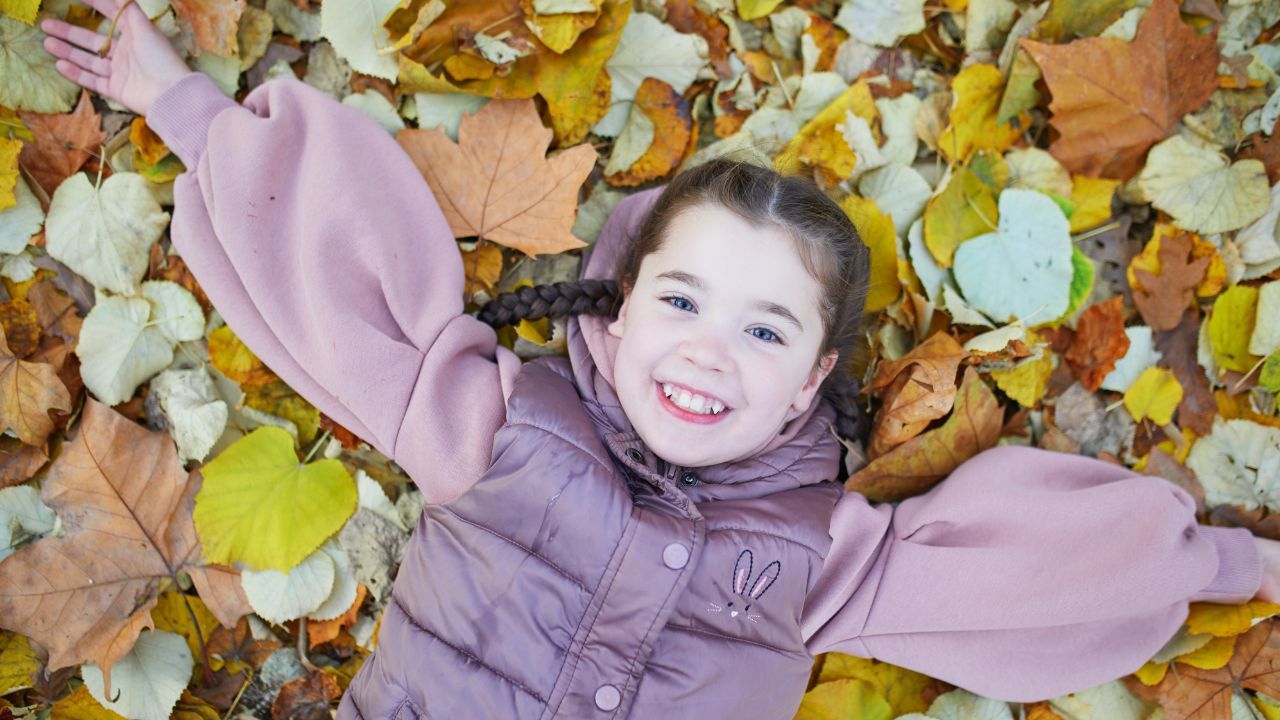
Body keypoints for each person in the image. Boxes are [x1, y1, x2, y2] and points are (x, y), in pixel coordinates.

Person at [38, 1, 1280, 716]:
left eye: (762, 329)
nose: (706, 352)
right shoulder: (490, 422)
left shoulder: (824, 555)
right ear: (619, 314)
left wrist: (1240, 562)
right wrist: (177, 103)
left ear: (807, 385)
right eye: (681, 300)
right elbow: (326, 276)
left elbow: (1033, 579)